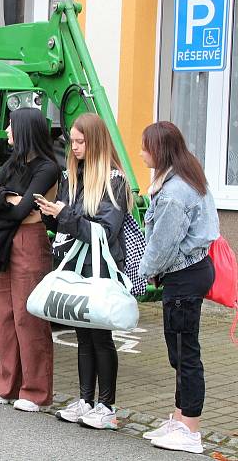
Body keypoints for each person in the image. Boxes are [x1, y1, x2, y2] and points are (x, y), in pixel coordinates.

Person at [36, 113, 132, 430]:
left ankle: (106, 406)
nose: (74, 147)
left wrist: (65, 216)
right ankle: (85, 400)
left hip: (101, 267)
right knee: (82, 336)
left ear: (96, 142)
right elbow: (70, 223)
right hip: (77, 265)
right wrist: (51, 215)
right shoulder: (72, 177)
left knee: (100, 337)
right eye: (72, 141)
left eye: (80, 142)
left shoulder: (114, 181)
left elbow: (105, 231)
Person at [137, 121, 219, 455]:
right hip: (190, 273)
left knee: (185, 354)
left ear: (159, 149)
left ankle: (191, 429)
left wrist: (143, 273)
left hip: (184, 277)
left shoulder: (173, 192)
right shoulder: (184, 176)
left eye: (145, 146)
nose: (141, 152)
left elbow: (162, 244)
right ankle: (179, 418)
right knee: (180, 350)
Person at [0, 107, 59, 412]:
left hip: (29, 241)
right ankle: (6, 386)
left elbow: (20, 210)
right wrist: (6, 198)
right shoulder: (12, 163)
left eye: (12, 127)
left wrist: (5, 198)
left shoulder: (47, 168)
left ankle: (35, 392)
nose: (8, 131)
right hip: (4, 242)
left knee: (30, 317)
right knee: (4, 315)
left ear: (26, 130)